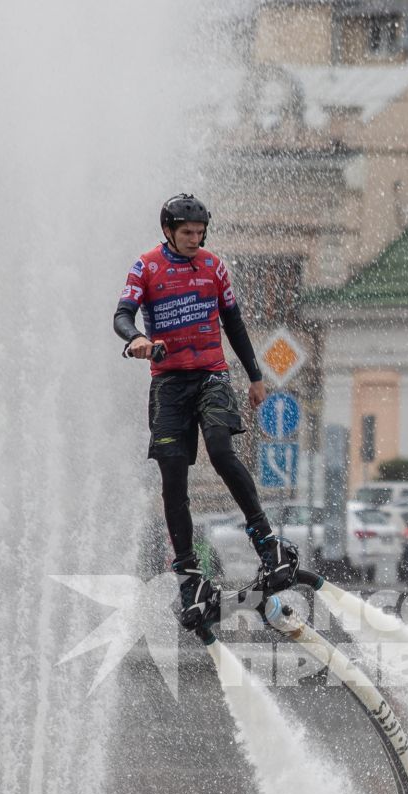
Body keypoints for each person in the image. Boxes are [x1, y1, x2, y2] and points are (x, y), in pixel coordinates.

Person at [115, 193, 294, 630]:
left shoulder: (214, 267)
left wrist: (254, 375)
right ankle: (190, 575)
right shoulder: (146, 267)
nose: (195, 240)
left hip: (212, 375)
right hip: (169, 384)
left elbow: (234, 322)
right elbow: (122, 316)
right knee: (173, 479)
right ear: (168, 232)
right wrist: (136, 338)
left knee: (220, 450)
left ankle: (266, 541)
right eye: (187, 233)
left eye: (200, 233)